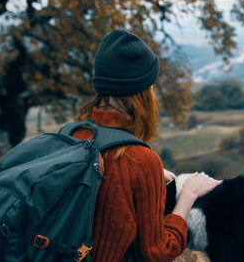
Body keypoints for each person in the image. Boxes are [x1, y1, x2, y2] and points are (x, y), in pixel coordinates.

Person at [72, 30, 221, 262]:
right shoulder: (140, 160)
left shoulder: (77, 134)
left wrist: (145, 178)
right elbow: (157, 253)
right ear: (144, 94)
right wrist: (189, 193)